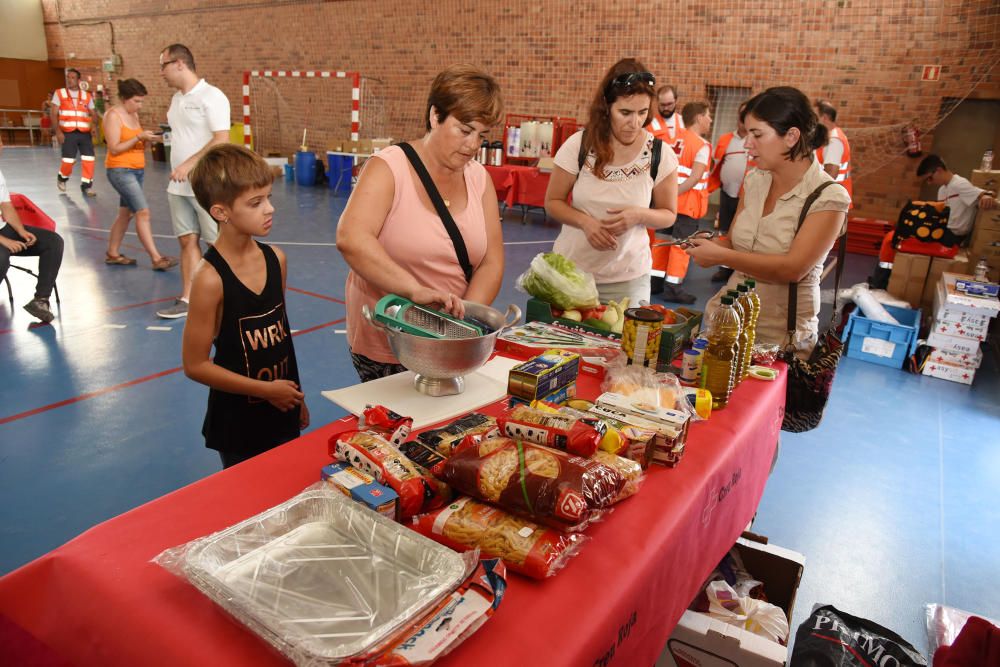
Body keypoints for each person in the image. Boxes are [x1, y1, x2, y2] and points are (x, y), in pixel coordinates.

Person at [337, 64, 505, 382]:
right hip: (390, 343)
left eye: (481, 135)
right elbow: (351, 238)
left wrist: (460, 319)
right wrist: (413, 290)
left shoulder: (479, 178)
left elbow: (492, 260)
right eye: (464, 129)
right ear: (434, 116)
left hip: (452, 344)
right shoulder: (389, 168)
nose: (473, 145)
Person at [686, 87, 850, 359]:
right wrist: (711, 245)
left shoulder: (828, 197)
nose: (747, 144)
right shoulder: (755, 180)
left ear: (791, 136)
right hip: (728, 322)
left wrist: (720, 255)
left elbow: (792, 269)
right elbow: (738, 240)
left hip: (779, 339)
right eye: (746, 133)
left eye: (757, 134)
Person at [182, 144, 308, 469]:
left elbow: (281, 337)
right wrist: (265, 390)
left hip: (281, 405)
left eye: (268, 197)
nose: (269, 209)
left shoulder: (275, 259)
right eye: (255, 203)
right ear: (221, 212)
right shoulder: (210, 279)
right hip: (238, 422)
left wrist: (296, 398)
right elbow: (195, 365)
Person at [545, 58, 678, 306]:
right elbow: (552, 202)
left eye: (642, 112)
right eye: (625, 112)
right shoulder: (579, 145)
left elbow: (669, 215)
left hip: (628, 280)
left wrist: (639, 215)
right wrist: (585, 223)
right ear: (606, 107)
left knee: (627, 344)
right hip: (571, 275)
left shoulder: (660, 154)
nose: (634, 122)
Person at [156, 44, 232, 319]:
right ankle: (188, 299)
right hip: (177, 187)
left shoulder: (212, 96)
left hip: (206, 184)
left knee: (217, 243)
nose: (161, 73)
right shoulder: (177, 99)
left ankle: (232, 296)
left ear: (179, 64)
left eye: (163, 66)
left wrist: (189, 163)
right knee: (187, 241)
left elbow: (221, 139)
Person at [102, 78, 178, 270]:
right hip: (121, 170)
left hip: (137, 170)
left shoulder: (134, 115)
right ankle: (156, 258)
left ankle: (112, 252)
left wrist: (148, 139)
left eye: (141, 101)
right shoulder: (113, 116)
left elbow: (135, 144)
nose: (139, 105)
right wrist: (138, 136)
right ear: (124, 99)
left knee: (125, 214)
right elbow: (115, 148)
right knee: (142, 212)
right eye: (136, 101)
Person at [0, 136, 65, 324]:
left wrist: (21, 231)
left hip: (4, 230)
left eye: (2, 142)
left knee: (53, 242)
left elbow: (6, 206)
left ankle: (41, 300)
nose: (2, 146)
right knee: (1, 258)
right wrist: (5, 241)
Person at [657, 101, 712, 304]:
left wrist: (665, 195)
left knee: (662, 241)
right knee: (681, 247)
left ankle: (655, 281)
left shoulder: (672, 139)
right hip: (687, 204)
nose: (710, 120)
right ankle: (673, 288)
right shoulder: (701, 145)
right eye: (708, 115)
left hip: (665, 204)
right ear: (698, 118)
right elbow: (695, 177)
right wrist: (675, 194)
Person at [707, 101, 753, 283]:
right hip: (727, 193)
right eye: (741, 116)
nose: (743, 121)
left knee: (744, 233)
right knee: (725, 231)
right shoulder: (726, 139)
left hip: (748, 197)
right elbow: (715, 163)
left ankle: (742, 268)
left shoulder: (755, 140)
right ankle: (724, 268)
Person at [917, 154, 997, 244]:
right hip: (943, 230)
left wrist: (985, 195)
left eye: (930, 178)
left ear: (938, 170)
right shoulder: (942, 190)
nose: (929, 183)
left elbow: (982, 193)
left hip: (955, 235)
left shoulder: (959, 184)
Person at [51, 69, 99, 197]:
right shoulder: (59, 93)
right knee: (68, 160)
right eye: (68, 77)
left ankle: (86, 187)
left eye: (72, 78)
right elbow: (53, 114)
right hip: (67, 133)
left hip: (84, 133)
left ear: (78, 80)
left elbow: (94, 113)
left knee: (89, 159)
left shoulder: (86, 96)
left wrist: (94, 126)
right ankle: (62, 178)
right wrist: (58, 132)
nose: (69, 80)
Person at [814, 100, 853, 205]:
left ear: (825, 118)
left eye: (815, 116)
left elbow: (831, 173)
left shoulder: (833, 141)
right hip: (832, 199)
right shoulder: (832, 135)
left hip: (830, 201)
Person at [647, 85, 685, 149]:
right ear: (657, 102)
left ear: (676, 101)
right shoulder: (649, 123)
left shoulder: (684, 122)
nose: (666, 108)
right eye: (662, 105)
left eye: (669, 104)